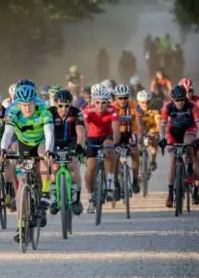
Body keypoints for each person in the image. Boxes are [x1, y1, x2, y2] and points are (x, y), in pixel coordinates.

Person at [0, 84, 55, 243]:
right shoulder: (13, 111)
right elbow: (8, 133)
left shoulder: (44, 109)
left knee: (43, 157)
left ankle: (44, 195)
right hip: (24, 144)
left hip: (42, 142)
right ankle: (20, 225)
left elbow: (49, 133)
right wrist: (3, 149)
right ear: (18, 103)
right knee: (22, 181)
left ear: (34, 102)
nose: (26, 108)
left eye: (29, 104)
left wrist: (49, 151)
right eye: (23, 105)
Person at [158, 85, 199, 207]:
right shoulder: (167, 107)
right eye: (177, 100)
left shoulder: (192, 106)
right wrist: (162, 138)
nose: (180, 102)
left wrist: (198, 138)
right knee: (172, 160)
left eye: (182, 99)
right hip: (174, 131)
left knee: (189, 145)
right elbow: (162, 125)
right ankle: (170, 195)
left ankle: (190, 171)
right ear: (172, 99)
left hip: (189, 129)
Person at [82, 84, 121, 212]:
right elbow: (85, 128)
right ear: (93, 101)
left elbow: (116, 130)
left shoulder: (112, 110)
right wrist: (83, 143)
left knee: (108, 148)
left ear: (108, 102)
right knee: (90, 169)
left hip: (107, 136)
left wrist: (116, 143)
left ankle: (110, 181)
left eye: (104, 102)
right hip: (91, 138)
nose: (100, 105)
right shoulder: (87, 110)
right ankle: (91, 197)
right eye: (97, 102)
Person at [48, 89, 86, 215]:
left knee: (73, 164)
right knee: (54, 166)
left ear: (70, 105)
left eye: (66, 106)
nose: (63, 109)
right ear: (55, 104)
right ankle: (54, 197)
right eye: (60, 106)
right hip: (55, 142)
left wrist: (79, 146)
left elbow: (80, 132)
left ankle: (77, 199)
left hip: (71, 141)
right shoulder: (49, 113)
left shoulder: (76, 113)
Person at [179, 78, 199, 200]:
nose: (188, 94)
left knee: (198, 159)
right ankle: (178, 180)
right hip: (181, 132)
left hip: (196, 131)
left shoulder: (198, 101)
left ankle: (196, 191)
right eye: (185, 91)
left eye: (190, 91)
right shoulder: (176, 101)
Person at [112, 84, 142, 194]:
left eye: (125, 97)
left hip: (131, 133)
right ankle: (115, 182)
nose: (123, 100)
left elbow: (139, 123)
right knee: (114, 156)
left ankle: (135, 180)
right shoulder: (111, 107)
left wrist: (140, 137)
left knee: (135, 151)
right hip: (117, 134)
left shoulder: (135, 106)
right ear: (116, 98)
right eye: (120, 98)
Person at [136, 90, 160, 171]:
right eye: (142, 102)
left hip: (152, 126)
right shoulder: (135, 109)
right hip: (140, 128)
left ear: (151, 101)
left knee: (154, 140)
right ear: (138, 102)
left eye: (147, 102)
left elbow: (158, 121)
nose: (145, 105)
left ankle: (153, 161)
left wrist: (157, 132)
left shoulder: (155, 107)